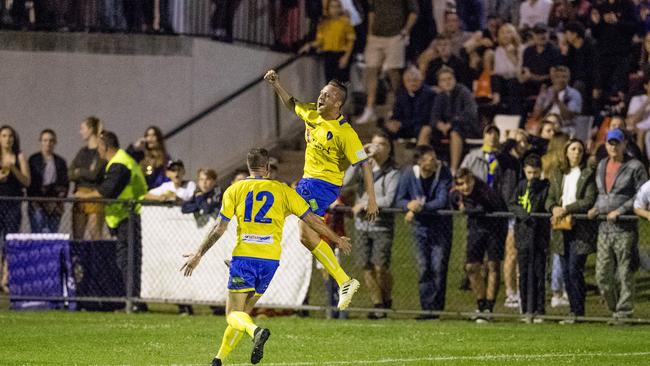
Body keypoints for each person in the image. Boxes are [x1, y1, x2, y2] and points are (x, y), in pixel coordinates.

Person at [180, 148, 353, 366]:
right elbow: (313, 221)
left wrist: (198, 254)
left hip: (245, 257)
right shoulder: (283, 191)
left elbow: (219, 228)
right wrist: (336, 239)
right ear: (268, 168)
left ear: (249, 166)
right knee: (244, 312)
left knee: (233, 314)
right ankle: (218, 360)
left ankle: (256, 331)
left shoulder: (235, 189)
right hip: (270, 261)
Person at [264, 69, 378, 309]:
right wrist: (277, 84)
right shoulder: (311, 114)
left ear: (338, 102)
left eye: (327, 95)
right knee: (303, 234)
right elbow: (291, 103)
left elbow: (364, 165)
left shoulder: (345, 133)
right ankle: (344, 280)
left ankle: (250, 260)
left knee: (282, 216)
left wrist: (371, 199)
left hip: (323, 185)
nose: (321, 97)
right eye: (321, 93)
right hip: (308, 182)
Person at [75, 131, 149, 313]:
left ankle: (132, 302)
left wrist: (82, 195)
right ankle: (132, 301)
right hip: (125, 217)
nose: (98, 151)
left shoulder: (119, 163)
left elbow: (106, 192)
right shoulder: (122, 160)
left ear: (104, 146)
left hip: (129, 217)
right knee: (127, 260)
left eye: (99, 147)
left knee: (128, 261)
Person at [587, 129, 647, 324]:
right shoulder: (602, 164)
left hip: (625, 227)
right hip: (603, 226)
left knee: (624, 272)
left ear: (624, 144)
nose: (613, 147)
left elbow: (641, 196)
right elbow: (601, 193)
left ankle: (624, 311)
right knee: (602, 273)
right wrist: (595, 207)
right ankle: (615, 308)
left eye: (617, 143)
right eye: (610, 143)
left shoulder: (635, 166)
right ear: (605, 144)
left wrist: (620, 210)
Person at [342, 132, 400, 319]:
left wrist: (365, 205)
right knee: (366, 267)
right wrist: (359, 156)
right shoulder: (363, 167)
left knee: (380, 267)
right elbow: (345, 182)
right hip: (361, 226)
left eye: (381, 144)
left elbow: (389, 199)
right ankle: (378, 305)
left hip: (381, 226)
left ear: (389, 149)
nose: (376, 148)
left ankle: (387, 298)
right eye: (374, 144)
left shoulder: (393, 172)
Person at [395, 145, 453, 319]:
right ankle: (426, 308)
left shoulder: (443, 173)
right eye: (430, 158)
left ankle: (436, 309)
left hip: (440, 228)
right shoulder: (408, 174)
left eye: (434, 157)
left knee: (438, 267)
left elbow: (442, 200)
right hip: (420, 229)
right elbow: (399, 199)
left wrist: (419, 207)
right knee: (423, 267)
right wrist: (408, 205)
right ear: (420, 162)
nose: (434, 161)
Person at [451, 168, 508, 322]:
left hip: (495, 229)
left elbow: (482, 209)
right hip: (476, 230)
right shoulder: (460, 193)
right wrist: (457, 200)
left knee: (492, 266)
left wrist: (466, 209)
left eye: (467, 182)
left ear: (472, 179)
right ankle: (481, 303)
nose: (464, 187)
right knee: (471, 267)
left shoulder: (485, 191)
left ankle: (489, 306)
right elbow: (453, 201)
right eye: (460, 184)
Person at [356, 0, 419, 124]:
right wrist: (369, 33)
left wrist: (406, 30)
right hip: (375, 35)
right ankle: (369, 108)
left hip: (395, 35)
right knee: (371, 69)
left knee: (393, 71)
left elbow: (414, 12)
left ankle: (398, 104)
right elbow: (372, 11)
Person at [508, 154, 549, 322]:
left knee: (538, 273)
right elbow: (512, 203)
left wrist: (534, 190)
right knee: (524, 274)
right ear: (524, 171)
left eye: (536, 173)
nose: (533, 176)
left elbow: (543, 204)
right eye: (530, 172)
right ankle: (526, 309)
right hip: (523, 236)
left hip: (539, 237)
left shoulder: (545, 187)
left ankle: (539, 310)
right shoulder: (520, 186)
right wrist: (523, 215)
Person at [418, 66, 479, 175]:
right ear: (439, 84)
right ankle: (422, 165)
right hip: (445, 129)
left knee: (455, 133)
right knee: (425, 129)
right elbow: (434, 117)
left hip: (465, 128)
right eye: (443, 80)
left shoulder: (464, 92)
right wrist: (439, 124)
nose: (447, 82)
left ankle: (453, 169)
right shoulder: (440, 96)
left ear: (454, 79)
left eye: (449, 79)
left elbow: (470, 113)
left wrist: (451, 123)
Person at [0, 125, 31, 293]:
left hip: (13, 204)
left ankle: (6, 278)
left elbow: (26, 181)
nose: (7, 139)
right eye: (4, 136)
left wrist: (13, 168)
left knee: (9, 240)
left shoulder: (19, 156)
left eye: (10, 136)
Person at [299, 0, 356, 82]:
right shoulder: (323, 24)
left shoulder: (345, 22)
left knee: (341, 85)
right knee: (329, 83)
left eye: (338, 7)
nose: (335, 10)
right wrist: (309, 45)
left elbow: (351, 41)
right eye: (332, 7)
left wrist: (346, 57)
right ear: (328, 8)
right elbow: (320, 41)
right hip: (328, 56)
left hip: (341, 54)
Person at [69, 116, 107, 240]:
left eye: (82, 128)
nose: (81, 132)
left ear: (90, 129)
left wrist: (79, 171)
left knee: (94, 233)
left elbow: (95, 174)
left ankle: (98, 258)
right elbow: (69, 173)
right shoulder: (82, 152)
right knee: (78, 235)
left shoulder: (100, 152)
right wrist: (83, 172)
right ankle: (79, 258)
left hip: (94, 195)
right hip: (79, 194)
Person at [27, 129, 69, 233]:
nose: (48, 143)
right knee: (37, 233)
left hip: (54, 203)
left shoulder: (60, 162)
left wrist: (59, 201)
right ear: (40, 142)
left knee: (52, 234)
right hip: (37, 203)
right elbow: (30, 183)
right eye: (45, 140)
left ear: (55, 142)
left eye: (51, 140)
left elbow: (64, 183)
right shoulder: (33, 160)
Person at [127, 126, 170, 190]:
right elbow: (127, 160)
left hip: (160, 193)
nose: (150, 138)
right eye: (148, 136)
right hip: (144, 194)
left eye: (153, 135)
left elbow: (167, 177)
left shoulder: (165, 158)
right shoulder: (141, 156)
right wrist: (135, 147)